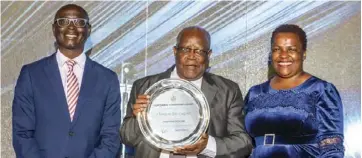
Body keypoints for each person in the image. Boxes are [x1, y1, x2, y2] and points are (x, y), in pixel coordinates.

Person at [120, 26, 252, 158]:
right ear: (175, 51)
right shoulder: (145, 87)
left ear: (209, 55)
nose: (191, 56)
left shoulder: (227, 91)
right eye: (185, 49)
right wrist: (139, 119)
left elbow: (243, 143)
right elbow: (127, 138)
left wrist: (207, 146)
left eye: (199, 51)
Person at [12, 4, 121, 158]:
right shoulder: (31, 74)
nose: (71, 27)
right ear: (54, 29)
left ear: (88, 30)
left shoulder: (107, 79)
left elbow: (111, 136)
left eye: (79, 22)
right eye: (63, 21)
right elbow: (22, 133)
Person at [244, 24, 344, 158]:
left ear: (303, 53)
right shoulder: (254, 93)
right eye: (277, 49)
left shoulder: (321, 90)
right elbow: (243, 143)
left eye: (291, 49)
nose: (283, 55)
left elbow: (332, 149)